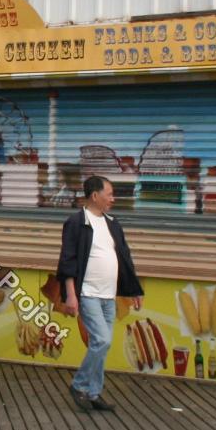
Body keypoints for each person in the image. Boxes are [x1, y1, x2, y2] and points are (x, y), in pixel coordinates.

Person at [55, 174, 144, 413]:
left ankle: (93, 393)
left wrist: (134, 290)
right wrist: (70, 295)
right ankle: (80, 384)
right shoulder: (76, 223)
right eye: (109, 194)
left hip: (108, 296)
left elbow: (125, 259)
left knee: (102, 344)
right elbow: (68, 262)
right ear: (95, 196)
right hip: (88, 294)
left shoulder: (112, 224)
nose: (112, 199)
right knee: (102, 340)